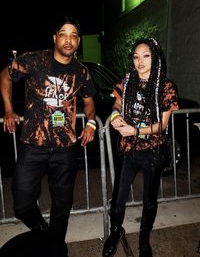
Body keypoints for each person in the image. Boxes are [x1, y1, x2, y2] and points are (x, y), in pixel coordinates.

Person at [0, 16, 96, 256]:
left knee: (62, 203)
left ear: (78, 41)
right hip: (33, 144)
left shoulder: (81, 72)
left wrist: (92, 123)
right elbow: (5, 75)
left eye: (74, 35)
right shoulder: (34, 60)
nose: (69, 39)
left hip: (65, 148)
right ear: (55, 38)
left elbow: (89, 102)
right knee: (22, 202)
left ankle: (55, 247)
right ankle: (44, 231)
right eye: (63, 34)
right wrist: (9, 109)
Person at [102, 38, 179, 257]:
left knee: (149, 200)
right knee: (118, 197)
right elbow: (116, 101)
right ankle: (115, 232)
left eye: (146, 56)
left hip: (152, 151)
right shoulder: (127, 82)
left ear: (155, 58)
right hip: (129, 149)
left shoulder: (166, 87)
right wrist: (116, 114)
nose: (140, 61)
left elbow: (162, 126)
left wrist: (134, 131)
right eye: (136, 57)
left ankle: (144, 241)